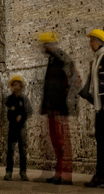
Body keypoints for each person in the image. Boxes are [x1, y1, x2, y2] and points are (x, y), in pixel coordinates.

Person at [78, 29, 104, 189]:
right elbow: (96, 86)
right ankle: (99, 176)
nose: (90, 44)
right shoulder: (97, 59)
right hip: (100, 106)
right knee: (100, 140)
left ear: (99, 42)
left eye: (92, 41)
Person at [38, 32, 75, 185]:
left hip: (58, 108)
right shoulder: (53, 61)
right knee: (56, 142)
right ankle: (58, 172)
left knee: (62, 142)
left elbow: (67, 83)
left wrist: (58, 104)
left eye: (46, 44)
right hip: (52, 108)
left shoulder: (61, 60)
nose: (44, 47)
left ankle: (65, 175)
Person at [4, 75, 32, 181]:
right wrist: (13, 115)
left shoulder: (23, 99)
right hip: (12, 127)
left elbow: (29, 111)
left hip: (21, 128)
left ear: (21, 87)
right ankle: (9, 171)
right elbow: (7, 113)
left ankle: (23, 172)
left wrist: (21, 116)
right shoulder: (9, 99)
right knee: (10, 150)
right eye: (14, 85)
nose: (15, 87)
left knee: (22, 151)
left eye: (17, 85)